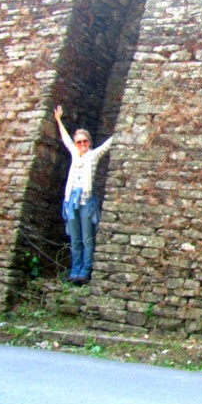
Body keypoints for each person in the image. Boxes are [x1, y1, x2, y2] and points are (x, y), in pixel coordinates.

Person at [54, 105, 114, 285]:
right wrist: (58, 120)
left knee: (88, 238)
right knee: (75, 238)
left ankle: (85, 271)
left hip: (86, 203)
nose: (81, 145)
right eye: (79, 142)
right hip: (71, 202)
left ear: (89, 143)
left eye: (84, 142)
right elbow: (65, 139)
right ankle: (75, 270)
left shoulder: (94, 155)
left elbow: (108, 144)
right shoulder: (74, 154)